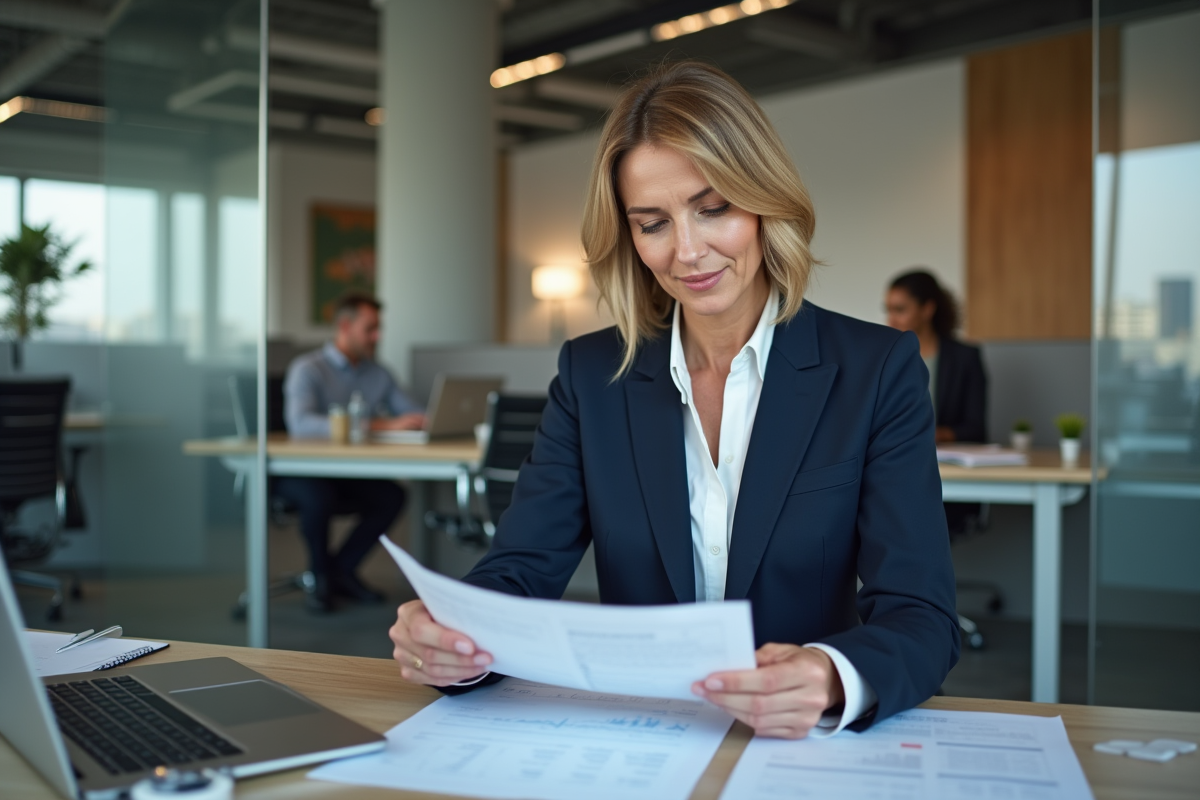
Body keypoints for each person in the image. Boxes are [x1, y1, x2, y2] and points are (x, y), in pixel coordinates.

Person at [389, 61, 959, 740]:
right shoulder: (592, 374)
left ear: (763, 201)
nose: (687, 251)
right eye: (652, 222)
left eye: (713, 208)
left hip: (798, 749)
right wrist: (456, 639)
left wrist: (831, 675)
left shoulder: (874, 369)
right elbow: (520, 569)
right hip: (643, 742)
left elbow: (922, 616)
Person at [280, 293, 426, 612]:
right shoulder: (308, 369)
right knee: (318, 498)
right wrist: (383, 425)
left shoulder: (378, 373)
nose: (377, 336)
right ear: (345, 325)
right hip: (300, 470)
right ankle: (321, 578)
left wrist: (424, 419)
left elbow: (412, 412)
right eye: (370, 328)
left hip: (346, 470)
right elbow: (301, 424)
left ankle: (341, 570)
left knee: (392, 496)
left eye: (378, 329)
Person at [885, 270, 987, 444]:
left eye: (900, 310)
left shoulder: (964, 358)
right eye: (888, 310)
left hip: (946, 461)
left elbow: (976, 428)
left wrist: (933, 434)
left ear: (927, 309)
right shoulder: (885, 359)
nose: (891, 321)